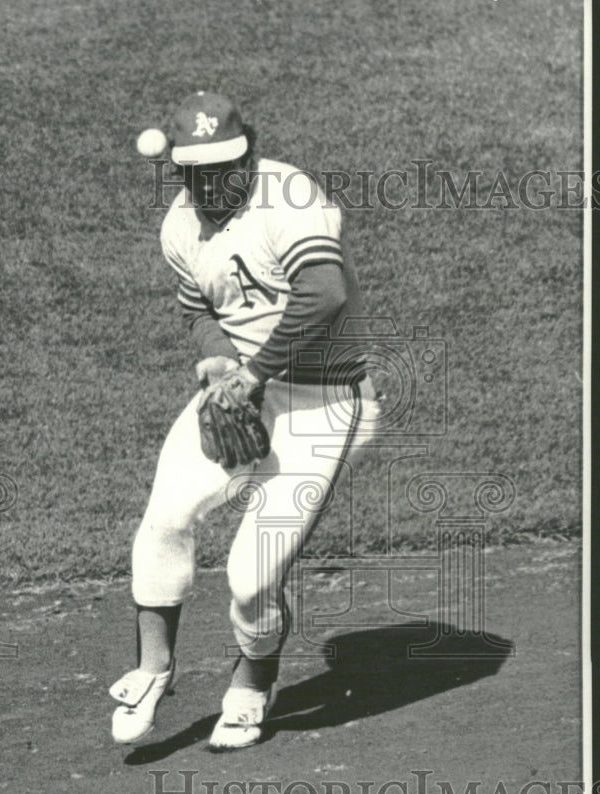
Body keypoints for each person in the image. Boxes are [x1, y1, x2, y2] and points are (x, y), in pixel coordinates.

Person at [109, 90, 378, 750]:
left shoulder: (290, 199)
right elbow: (198, 308)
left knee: (251, 576)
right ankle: (152, 669)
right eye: (197, 170)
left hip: (322, 400)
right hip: (241, 388)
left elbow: (325, 293)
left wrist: (253, 374)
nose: (212, 182)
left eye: (225, 166)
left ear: (249, 152)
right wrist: (217, 362)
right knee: (165, 518)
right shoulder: (178, 227)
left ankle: (253, 678)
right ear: (178, 168)